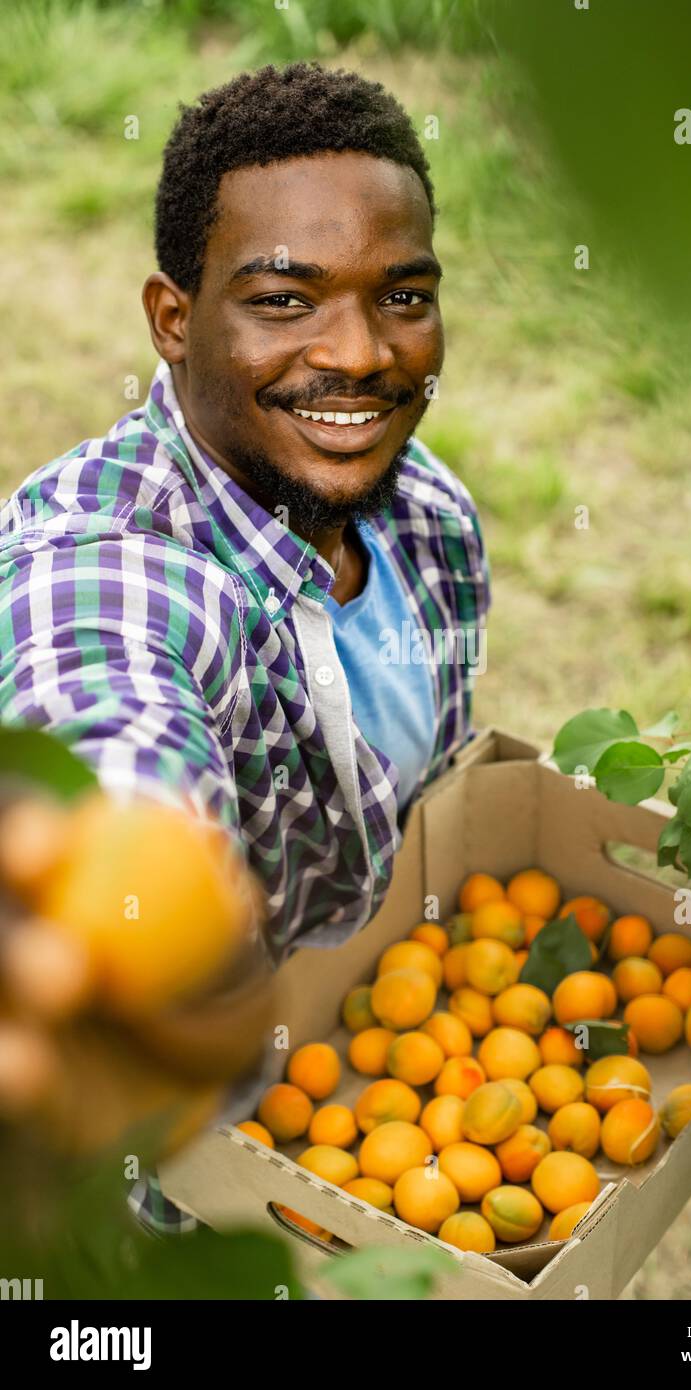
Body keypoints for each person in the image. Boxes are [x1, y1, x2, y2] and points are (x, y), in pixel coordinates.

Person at [0, 62, 490, 1232]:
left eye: (402, 294)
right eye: (285, 301)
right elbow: (107, 715)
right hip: (169, 1171)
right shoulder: (108, 568)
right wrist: (109, 917)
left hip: (369, 1076)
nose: (361, 353)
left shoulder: (427, 512)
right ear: (174, 320)